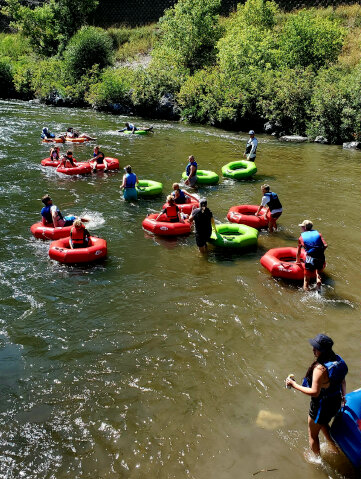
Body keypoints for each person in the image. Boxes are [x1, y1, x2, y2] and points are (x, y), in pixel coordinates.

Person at [286, 334, 348, 457]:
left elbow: (315, 392)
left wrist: (293, 385)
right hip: (335, 401)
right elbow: (342, 381)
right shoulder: (339, 360)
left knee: (313, 435)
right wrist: (343, 397)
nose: (313, 350)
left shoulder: (320, 369)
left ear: (323, 351)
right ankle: (334, 447)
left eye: (316, 348)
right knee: (323, 423)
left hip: (321, 406)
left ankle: (317, 460)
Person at [296, 220, 327, 292]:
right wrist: (319, 252)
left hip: (310, 259)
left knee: (306, 280)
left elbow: (298, 251)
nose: (301, 228)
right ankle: (318, 290)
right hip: (321, 257)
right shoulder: (318, 234)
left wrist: (298, 261)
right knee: (318, 274)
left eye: (302, 227)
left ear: (304, 228)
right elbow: (325, 245)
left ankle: (307, 295)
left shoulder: (301, 238)